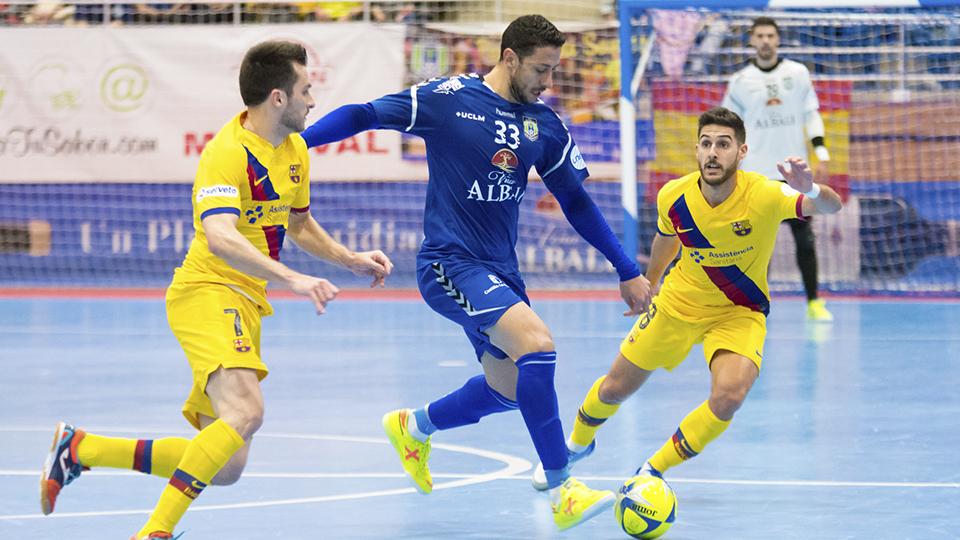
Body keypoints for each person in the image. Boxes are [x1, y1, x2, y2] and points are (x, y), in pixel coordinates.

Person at [299, 14, 653, 530]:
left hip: (499, 270)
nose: (548, 82)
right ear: (509, 57)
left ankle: (414, 426)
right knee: (537, 345)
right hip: (448, 263)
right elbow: (363, 113)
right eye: (540, 69)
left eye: (554, 70)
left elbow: (575, 201)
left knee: (509, 388)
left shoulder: (544, 124)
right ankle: (563, 489)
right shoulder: (448, 98)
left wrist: (626, 268)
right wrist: (297, 144)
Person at [39, 40, 393, 540]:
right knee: (247, 412)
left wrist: (349, 259)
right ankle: (154, 533)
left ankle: (83, 449)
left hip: (245, 300)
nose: (312, 101)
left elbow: (300, 223)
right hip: (208, 290)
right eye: (306, 90)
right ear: (277, 97)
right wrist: (291, 277)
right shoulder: (226, 154)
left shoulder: (293, 149)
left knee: (226, 465)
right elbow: (221, 237)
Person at [530, 107, 842, 489]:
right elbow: (667, 237)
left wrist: (808, 187)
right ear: (697, 149)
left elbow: (831, 205)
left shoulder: (764, 193)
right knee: (614, 388)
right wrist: (649, 283)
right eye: (706, 143)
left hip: (739, 312)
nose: (713, 152)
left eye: (723, 145)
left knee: (729, 397)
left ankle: (652, 470)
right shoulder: (673, 195)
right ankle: (576, 446)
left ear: (742, 152)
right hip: (677, 304)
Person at [721, 16, 835, 321]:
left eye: (770, 35)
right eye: (760, 35)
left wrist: (821, 153)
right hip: (757, 175)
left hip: (793, 173)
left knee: (805, 240)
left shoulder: (797, 74)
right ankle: (757, 306)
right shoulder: (741, 81)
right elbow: (729, 128)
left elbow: (812, 115)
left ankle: (813, 302)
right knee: (758, 247)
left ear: (778, 39)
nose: (766, 40)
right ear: (752, 41)